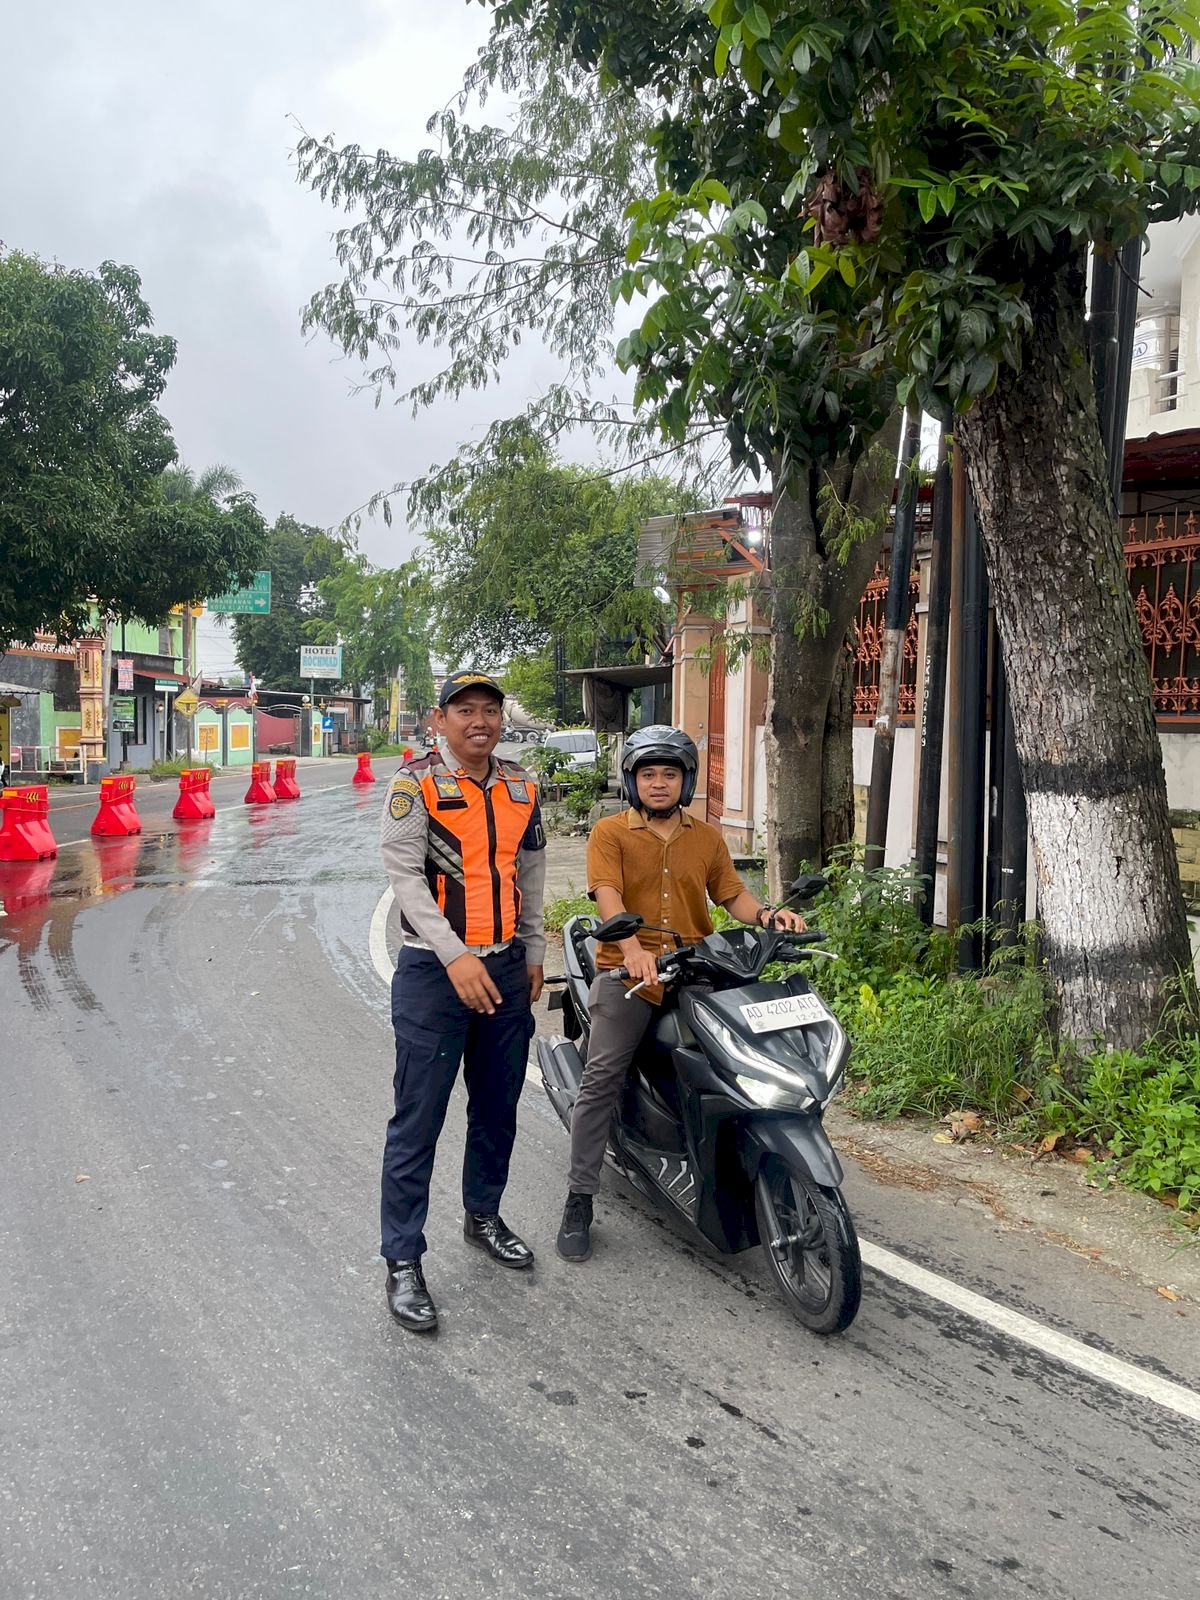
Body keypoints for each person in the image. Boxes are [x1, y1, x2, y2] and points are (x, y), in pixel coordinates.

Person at [556, 725, 807, 1263]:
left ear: (685, 781)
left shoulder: (707, 837)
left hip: (695, 968)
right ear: (632, 781)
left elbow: (732, 896)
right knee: (601, 1079)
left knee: (741, 1058)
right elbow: (607, 894)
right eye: (648, 774)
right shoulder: (610, 833)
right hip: (630, 978)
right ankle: (579, 1197)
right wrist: (632, 950)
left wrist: (769, 916)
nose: (658, 783)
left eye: (669, 774)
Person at [379, 670, 547, 1331]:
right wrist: (455, 955)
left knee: (498, 1106)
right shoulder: (414, 784)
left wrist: (533, 952)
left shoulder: (520, 786)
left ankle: (484, 1214)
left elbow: (530, 872)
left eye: (489, 710)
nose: (479, 721)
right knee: (418, 1119)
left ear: (501, 719)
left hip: (504, 968)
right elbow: (404, 877)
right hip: (433, 973)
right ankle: (402, 1259)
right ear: (439, 719)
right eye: (465, 710)